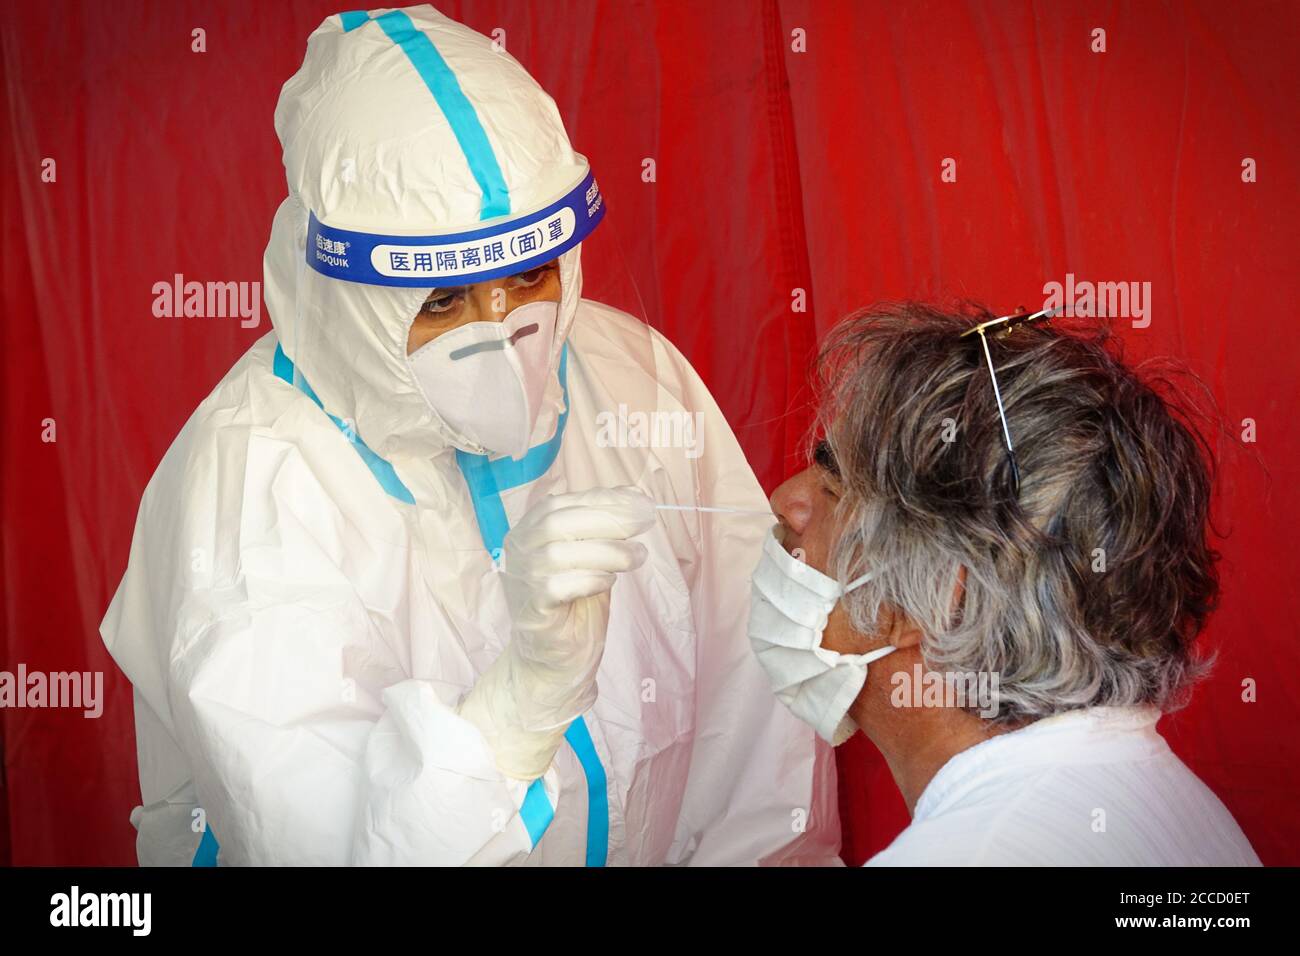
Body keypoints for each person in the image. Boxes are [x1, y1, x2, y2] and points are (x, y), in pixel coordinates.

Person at [100, 5, 840, 867]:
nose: (503, 332)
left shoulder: (636, 379)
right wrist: (517, 709)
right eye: (443, 301)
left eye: (529, 276)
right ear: (344, 290)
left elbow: (757, 757)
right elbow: (321, 847)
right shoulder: (253, 483)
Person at [747, 301, 1260, 865]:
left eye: (835, 483)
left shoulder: (973, 854)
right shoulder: (1162, 799)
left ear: (944, 597)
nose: (785, 500)